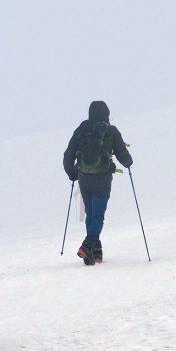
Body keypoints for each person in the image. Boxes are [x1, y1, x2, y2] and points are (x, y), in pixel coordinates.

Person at [62, 101, 133, 265]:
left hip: (84, 179)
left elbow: (68, 155)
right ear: (106, 114)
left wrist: (72, 174)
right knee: (98, 215)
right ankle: (88, 246)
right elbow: (122, 153)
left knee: (91, 214)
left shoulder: (81, 130)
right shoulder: (111, 131)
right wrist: (129, 163)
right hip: (102, 179)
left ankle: (95, 253)